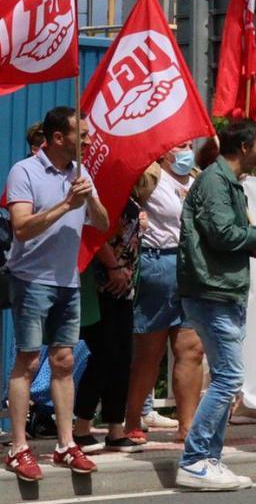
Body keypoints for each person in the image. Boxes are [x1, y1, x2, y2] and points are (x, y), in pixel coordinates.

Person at [5, 107, 109, 481]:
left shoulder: (81, 173)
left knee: (64, 360)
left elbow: (102, 223)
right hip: (32, 278)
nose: (87, 140)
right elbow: (20, 228)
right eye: (80, 134)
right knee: (29, 361)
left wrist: (89, 199)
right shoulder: (25, 171)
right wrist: (66, 204)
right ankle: (18, 447)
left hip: (69, 280)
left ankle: (66, 444)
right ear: (59, 138)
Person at [175, 119, 256, 491]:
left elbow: (226, 235)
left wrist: (255, 242)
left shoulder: (227, 182)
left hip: (223, 289)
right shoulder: (216, 182)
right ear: (245, 147)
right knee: (230, 378)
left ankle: (208, 459)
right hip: (211, 291)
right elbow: (222, 234)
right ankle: (194, 459)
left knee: (227, 378)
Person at [123, 143, 205, 446]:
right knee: (150, 352)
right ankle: (132, 419)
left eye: (188, 144)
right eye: (179, 145)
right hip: (158, 264)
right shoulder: (150, 177)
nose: (187, 150)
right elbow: (122, 201)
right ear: (163, 150)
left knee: (192, 349)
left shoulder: (198, 178)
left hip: (193, 266)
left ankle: (187, 426)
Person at [72, 180, 154, 454]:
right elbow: (97, 236)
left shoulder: (131, 196)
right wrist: (114, 266)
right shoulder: (106, 193)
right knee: (104, 354)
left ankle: (115, 428)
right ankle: (82, 426)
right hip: (103, 283)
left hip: (125, 284)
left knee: (121, 357)